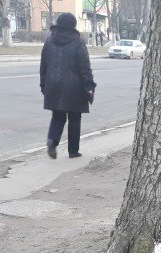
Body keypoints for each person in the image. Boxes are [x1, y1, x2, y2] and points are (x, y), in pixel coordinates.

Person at [40, 13, 96, 159]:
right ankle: (73, 151)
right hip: (74, 87)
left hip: (53, 84)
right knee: (75, 118)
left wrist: (43, 84)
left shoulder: (49, 41)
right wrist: (89, 87)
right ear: (73, 25)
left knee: (57, 116)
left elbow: (43, 66)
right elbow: (85, 68)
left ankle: (52, 140)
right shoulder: (78, 42)